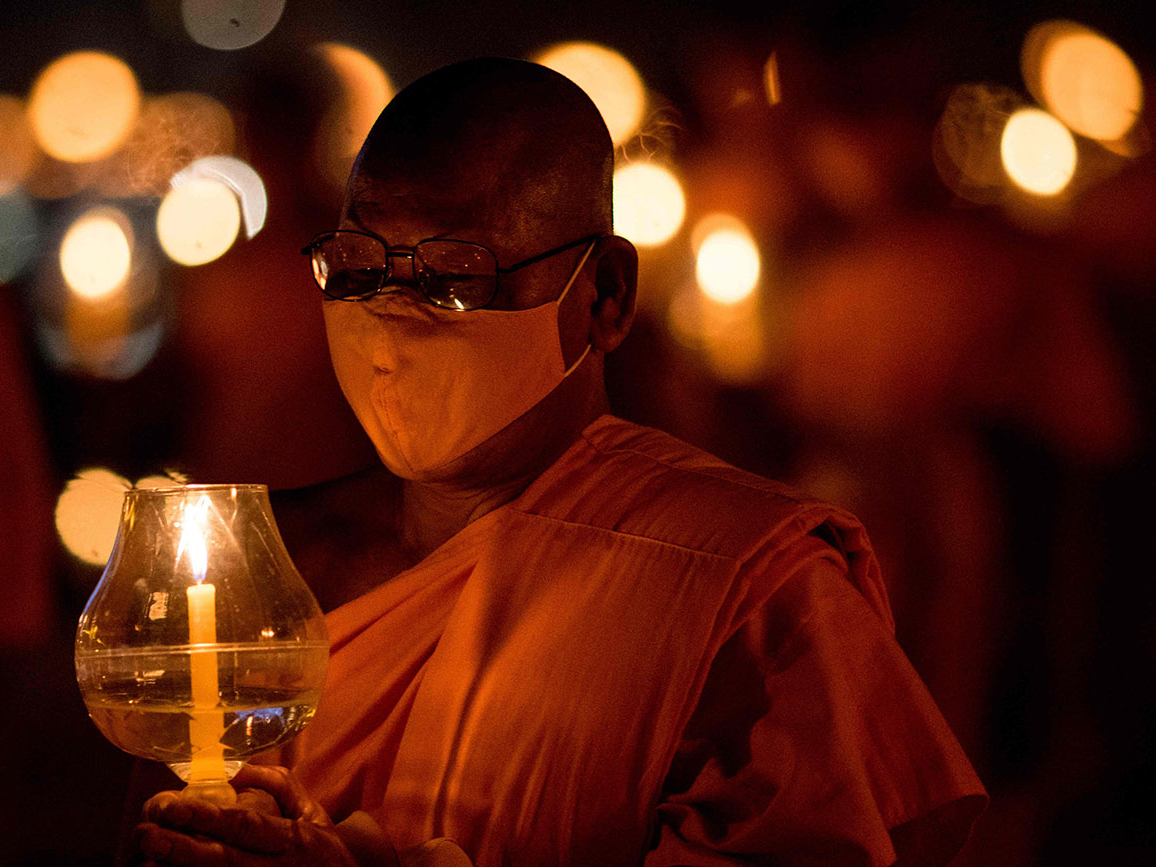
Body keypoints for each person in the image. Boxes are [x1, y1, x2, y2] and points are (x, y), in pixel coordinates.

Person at [127, 57, 986, 866]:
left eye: (455, 276)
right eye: (356, 269)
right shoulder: (264, 579)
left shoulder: (745, 586)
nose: (391, 315)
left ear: (605, 296)